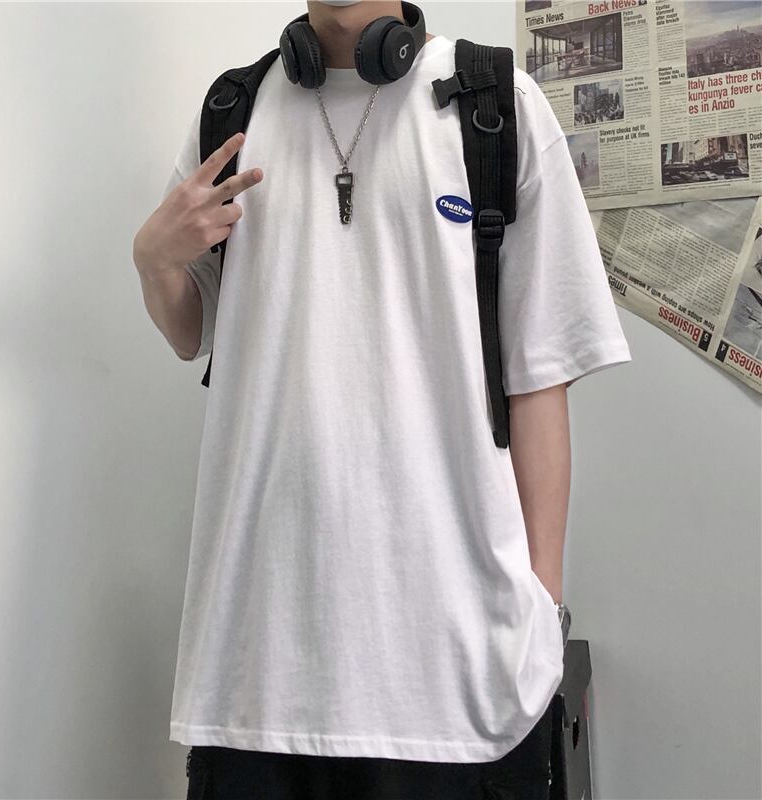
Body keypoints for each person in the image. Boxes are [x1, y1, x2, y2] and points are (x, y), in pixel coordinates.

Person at [132, 1, 632, 797]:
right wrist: (155, 262)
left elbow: (540, 379)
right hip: (254, 676)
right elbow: (191, 331)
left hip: (459, 683)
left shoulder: (494, 105)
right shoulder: (232, 113)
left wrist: (542, 611)